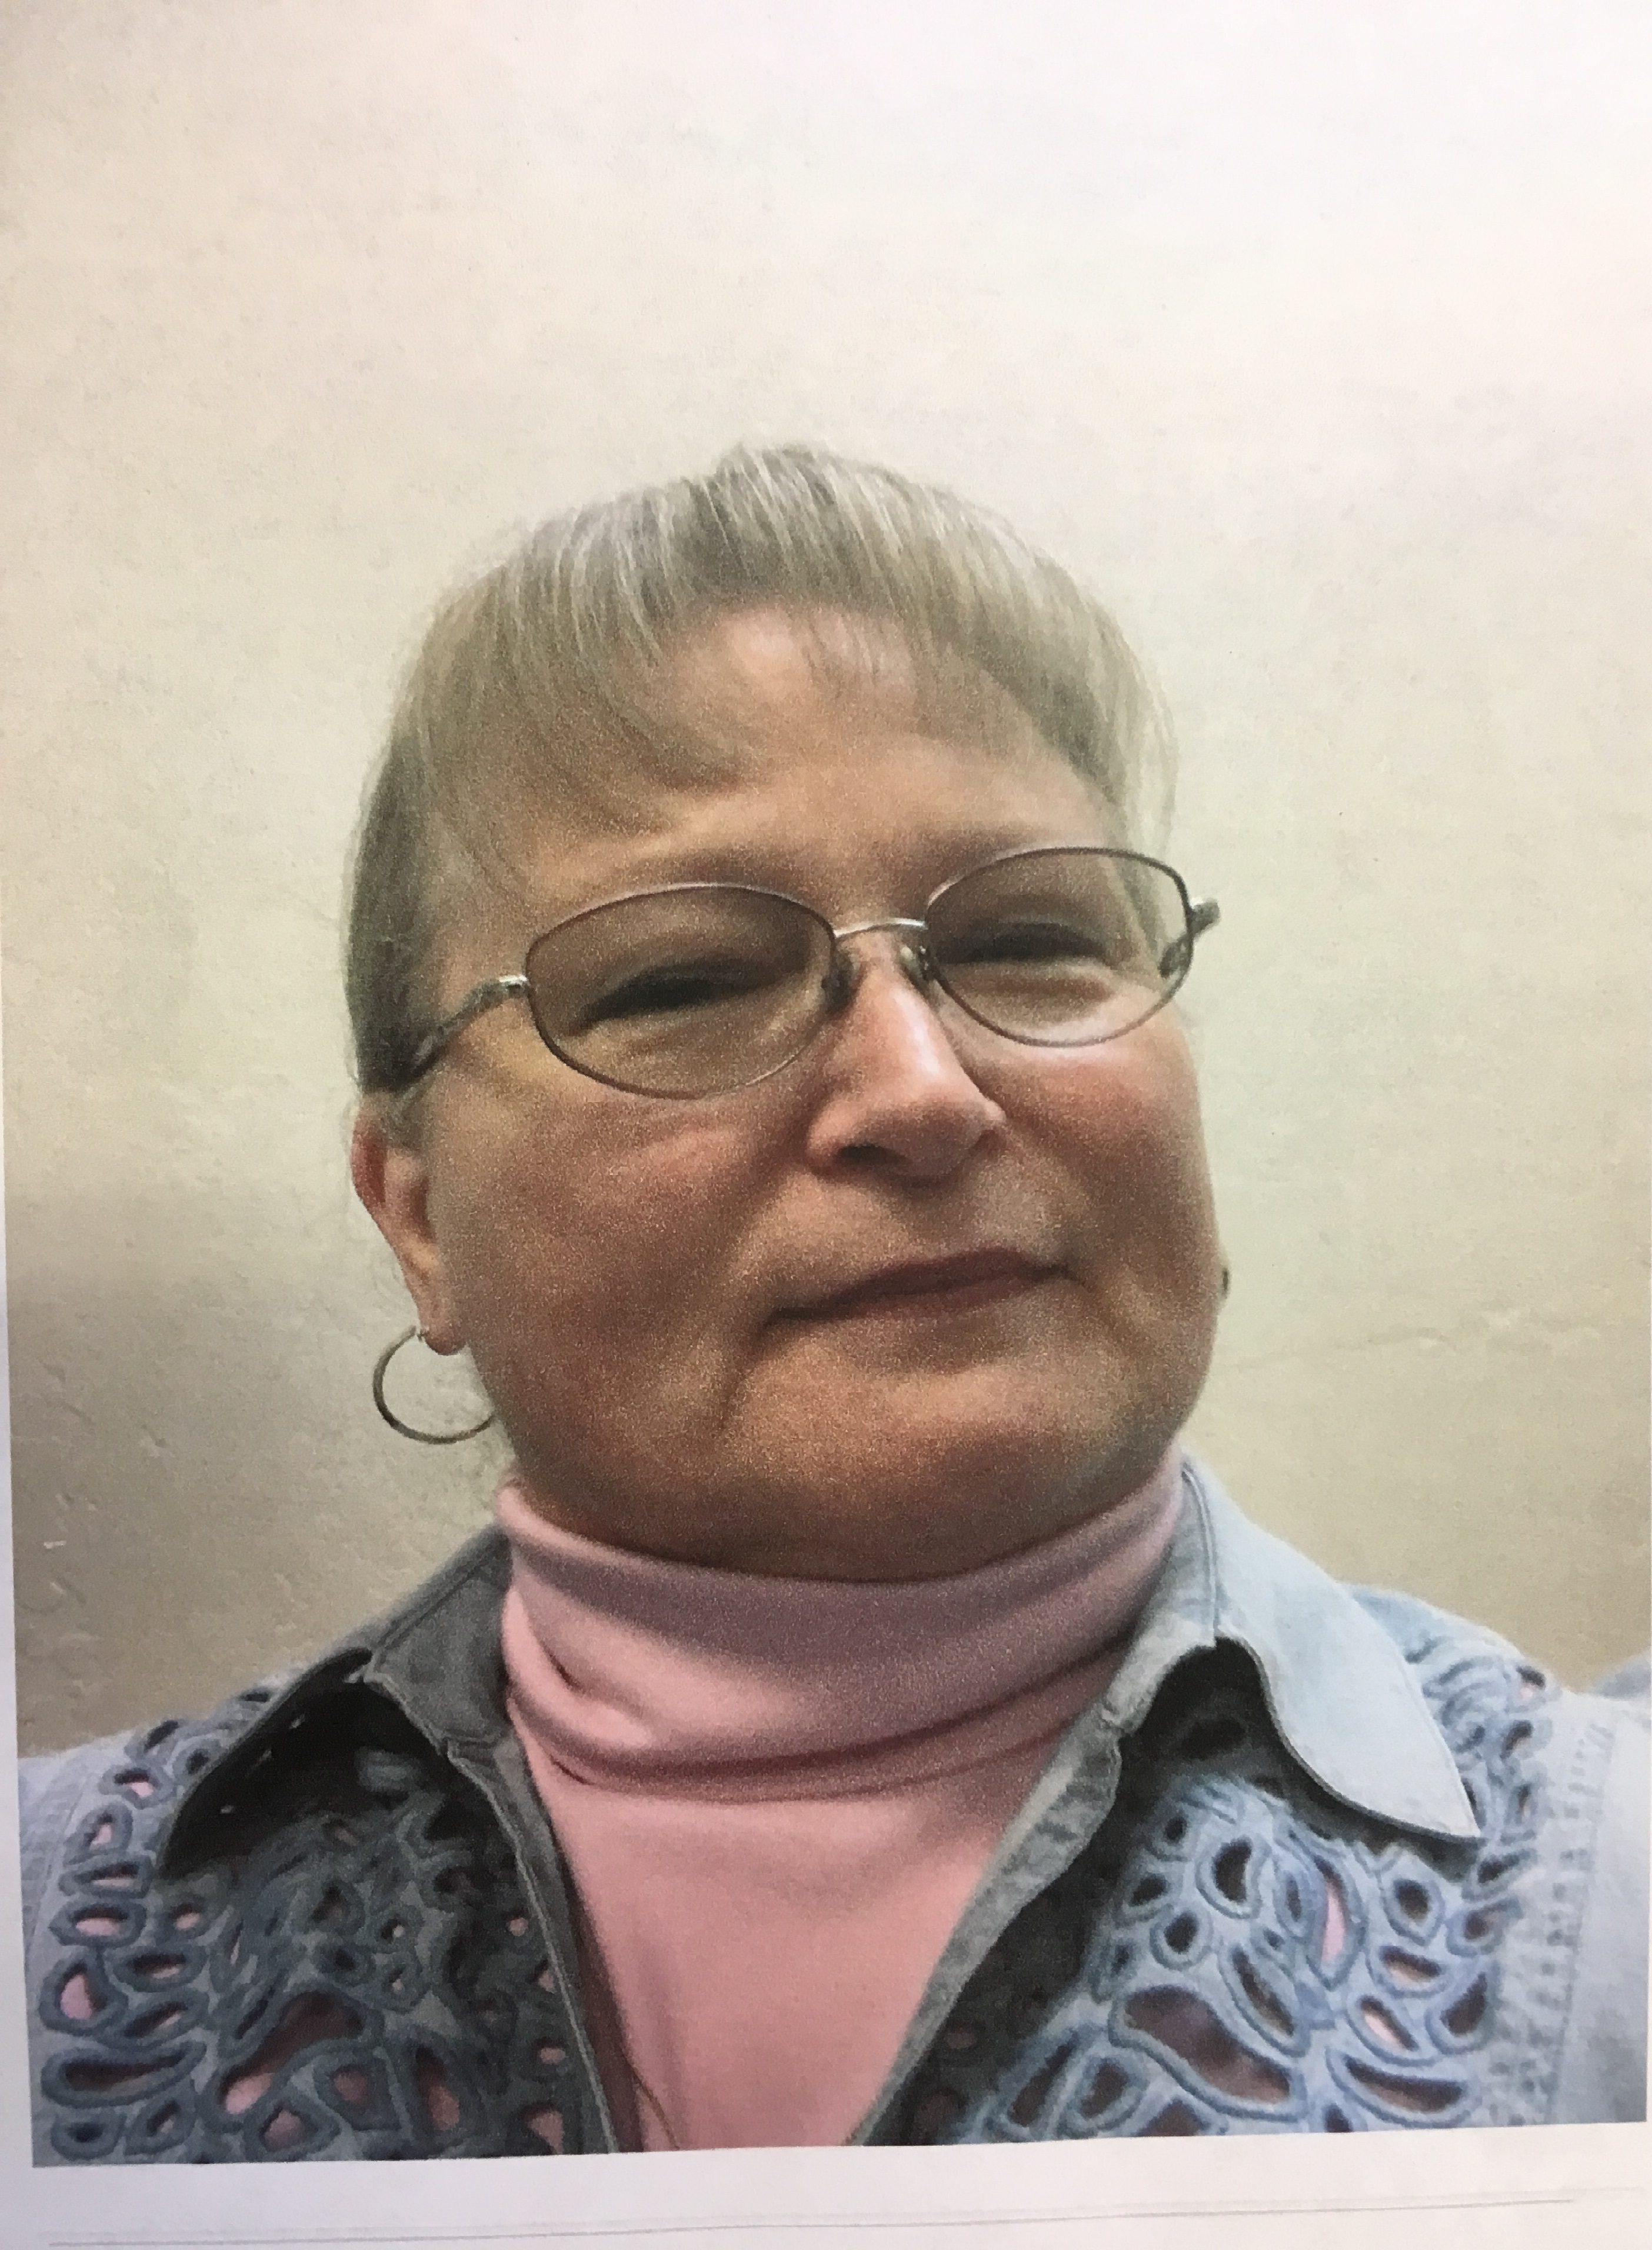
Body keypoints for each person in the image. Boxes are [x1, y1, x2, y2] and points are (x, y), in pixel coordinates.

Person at [18, 447, 1647, 2164]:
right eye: (682, 979)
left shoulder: (1600, 1894)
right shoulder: (49, 1937)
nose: (923, 1090)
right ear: (416, 1215)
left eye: (1030, 939)